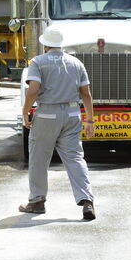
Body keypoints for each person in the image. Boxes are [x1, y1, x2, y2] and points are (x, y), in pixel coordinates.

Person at [19, 26, 96, 220]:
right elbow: (86, 94)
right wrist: (90, 120)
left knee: (39, 158)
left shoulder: (38, 62)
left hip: (47, 115)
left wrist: (25, 111)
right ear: (61, 44)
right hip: (72, 115)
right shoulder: (75, 63)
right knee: (75, 158)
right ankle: (87, 201)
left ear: (45, 43)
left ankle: (37, 201)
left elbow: (33, 90)